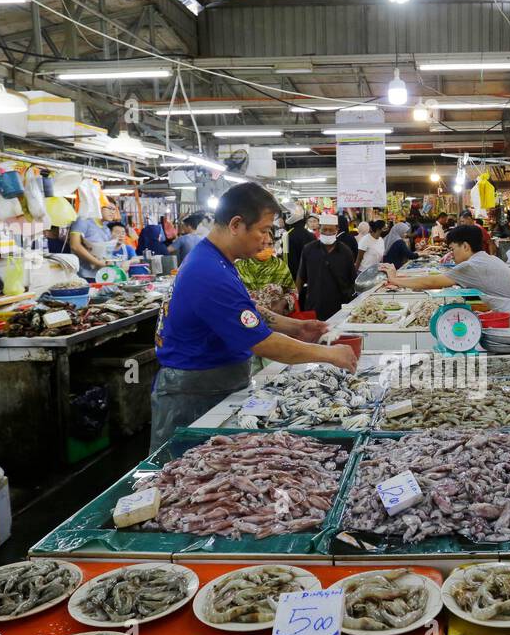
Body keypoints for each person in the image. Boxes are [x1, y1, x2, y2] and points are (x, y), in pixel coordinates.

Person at [150, 183, 356, 450]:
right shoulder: (209, 272)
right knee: (184, 480)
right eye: (263, 230)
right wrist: (329, 354)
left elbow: (247, 311)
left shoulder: (217, 260)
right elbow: (262, 343)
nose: (265, 239)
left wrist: (296, 326)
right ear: (236, 224)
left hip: (213, 386)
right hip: (193, 397)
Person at [381, 224, 510, 334]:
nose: (452, 254)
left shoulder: (472, 265)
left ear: (466, 246)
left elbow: (431, 282)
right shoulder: (483, 258)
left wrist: (395, 280)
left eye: (453, 249)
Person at [297, 213, 356, 322]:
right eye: (324, 230)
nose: (328, 233)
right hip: (315, 302)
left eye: (331, 230)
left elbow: (352, 279)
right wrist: (295, 299)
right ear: (319, 229)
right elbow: (301, 276)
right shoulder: (309, 249)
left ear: (337, 229)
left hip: (339, 304)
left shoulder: (345, 251)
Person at [236, 246, 297, 316]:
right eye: (262, 243)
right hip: (247, 319)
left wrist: (283, 302)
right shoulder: (238, 267)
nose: (265, 248)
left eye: (269, 244)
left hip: (276, 321)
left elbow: (293, 292)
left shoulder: (280, 266)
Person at [68, 203, 116, 280]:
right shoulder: (83, 220)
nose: (113, 212)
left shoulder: (106, 229)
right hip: (83, 276)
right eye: (109, 208)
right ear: (98, 207)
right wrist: (97, 262)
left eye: (114, 209)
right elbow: (75, 246)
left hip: (102, 275)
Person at [285, 203, 313, 280]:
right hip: (310, 275)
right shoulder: (311, 235)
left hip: (295, 276)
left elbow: (289, 260)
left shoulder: (288, 236)